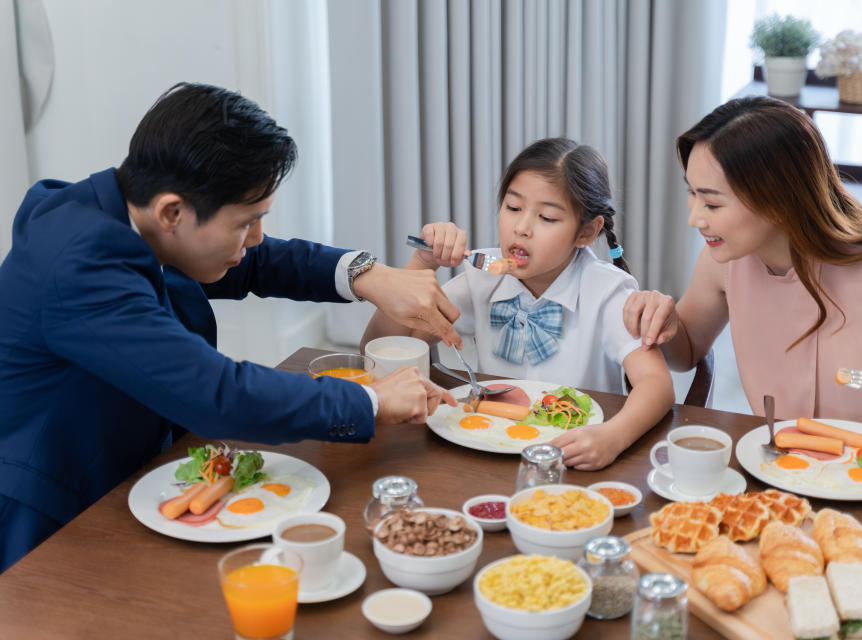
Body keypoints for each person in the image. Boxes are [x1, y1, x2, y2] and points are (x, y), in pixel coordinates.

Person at [0, 82, 459, 572]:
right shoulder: (80, 266)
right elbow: (216, 392)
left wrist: (369, 275)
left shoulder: (129, 212)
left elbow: (258, 262)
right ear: (173, 212)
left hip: (132, 472)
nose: (256, 237)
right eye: (246, 222)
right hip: (52, 514)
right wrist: (372, 401)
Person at [622, 96, 862, 447]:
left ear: (779, 200)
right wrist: (666, 322)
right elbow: (686, 352)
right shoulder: (723, 262)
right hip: (789, 473)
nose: (695, 218)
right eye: (692, 194)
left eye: (712, 203)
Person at [363, 137, 675, 470]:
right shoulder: (483, 274)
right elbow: (381, 349)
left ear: (586, 233)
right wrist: (423, 262)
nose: (521, 228)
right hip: (486, 448)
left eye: (547, 218)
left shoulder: (607, 292)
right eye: (513, 208)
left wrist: (612, 437)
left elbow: (657, 385)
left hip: (573, 456)